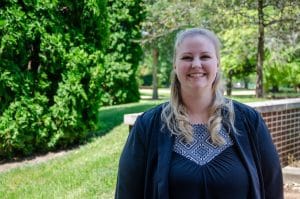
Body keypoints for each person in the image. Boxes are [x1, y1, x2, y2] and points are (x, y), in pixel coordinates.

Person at [115, 28, 283, 199]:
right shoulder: (148, 125)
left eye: (205, 56)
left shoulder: (249, 121)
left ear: (217, 63)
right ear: (175, 64)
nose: (196, 64)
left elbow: (272, 187)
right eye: (187, 57)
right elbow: (127, 192)